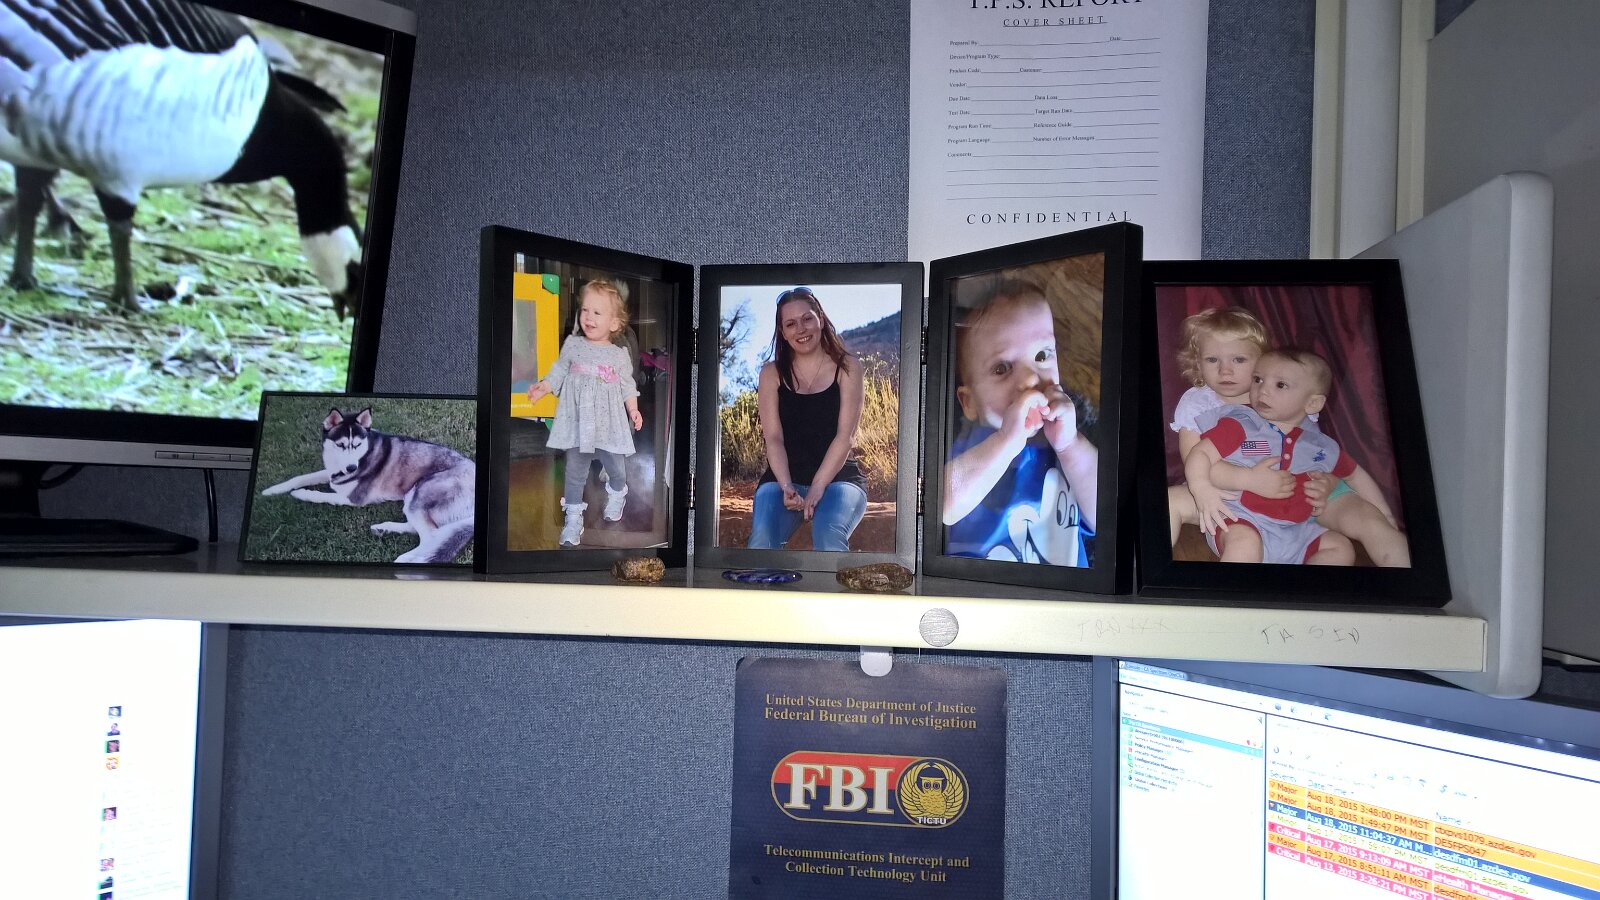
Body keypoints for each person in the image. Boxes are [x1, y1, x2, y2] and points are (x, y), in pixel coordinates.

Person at [1185, 349, 1399, 565]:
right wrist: (1201, 487)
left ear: (1312, 404)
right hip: (1243, 519)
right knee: (1243, 544)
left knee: (1340, 547)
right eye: (1258, 380)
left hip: (1298, 530)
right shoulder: (1242, 423)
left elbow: (1355, 475)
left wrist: (1386, 517)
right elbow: (1200, 453)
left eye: (1280, 385)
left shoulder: (1321, 445)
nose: (1262, 390)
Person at [942, 278, 1097, 565]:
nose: (1030, 379)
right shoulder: (973, 449)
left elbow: (1107, 514)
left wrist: (1070, 445)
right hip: (982, 589)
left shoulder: (1065, 444)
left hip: (1066, 590)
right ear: (969, 403)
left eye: (1042, 355)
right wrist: (1006, 442)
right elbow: (943, 506)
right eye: (1002, 368)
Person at [747, 287, 868, 551]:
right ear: (782, 332)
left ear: (820, 319)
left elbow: (845, 437)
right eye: (791, 323)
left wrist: (817, 486)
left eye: (807, 319)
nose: (800, 329)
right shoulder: (771, 374)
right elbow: (774, 439)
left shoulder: (848, 367)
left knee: (828, 536)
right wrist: (786, 486)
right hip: (783, 479)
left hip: (839, 479)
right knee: (762, 540)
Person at [527, 278, 643, 547]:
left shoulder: (618, 354)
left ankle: (617, 492)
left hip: (608, 424)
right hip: (578, 423)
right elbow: (559, 371)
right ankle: (572, 519)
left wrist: (633, 410)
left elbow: (628, 385)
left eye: (597, 312)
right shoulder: (573, 345)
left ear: (614, 323)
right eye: (585, 310)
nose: (588, 317)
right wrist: (544, 386)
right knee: (574, 472)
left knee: (615, 467)